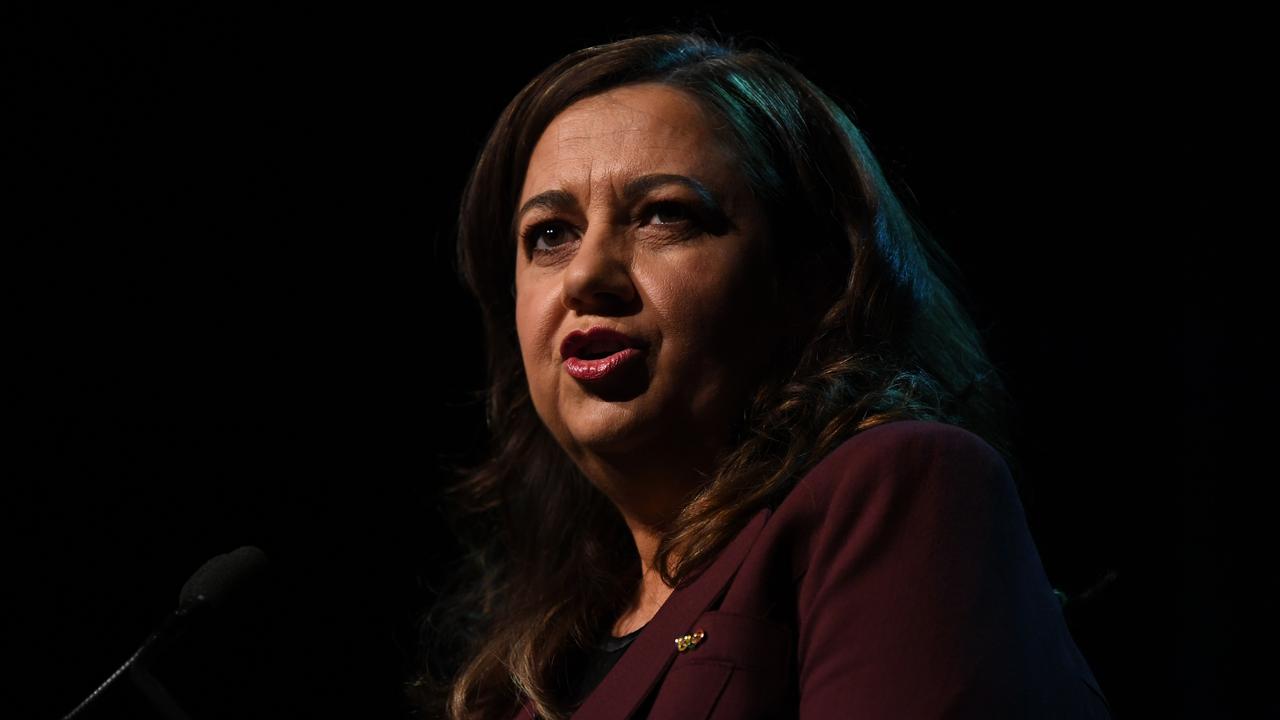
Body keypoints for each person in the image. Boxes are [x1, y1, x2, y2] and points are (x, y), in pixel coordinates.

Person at [412, 31, 1112, 720]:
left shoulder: (902, 484)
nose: (587, 275)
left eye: (665, 215)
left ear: (811, 278)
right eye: (550, 234)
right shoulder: (534, 676)